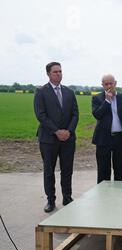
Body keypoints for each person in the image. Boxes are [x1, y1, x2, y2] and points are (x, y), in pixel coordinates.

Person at [34, 62, 79, 213]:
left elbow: (75, 114)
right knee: (49, 171)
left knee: (67, 170)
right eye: (55, 72)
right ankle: (50, 201)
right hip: (48, 139)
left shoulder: (69, 92)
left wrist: (68, 131)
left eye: (60, 71)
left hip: (68, 139)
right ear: (48, 74)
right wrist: (56, 131)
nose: (59, 74)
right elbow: (41, 115)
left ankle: (67, 197)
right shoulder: (41, 92)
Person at [92, 74, 122, 184]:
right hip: (103, 138)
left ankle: (120, 196)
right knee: (103, 171)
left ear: (115, 83)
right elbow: (97, 115)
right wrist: (107, 101)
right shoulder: (97, 98)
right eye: (106, 84)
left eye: (111, 83)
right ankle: (103, 196)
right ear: (102, 85)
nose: (109, 86)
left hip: (120, 138)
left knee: (120, 170)